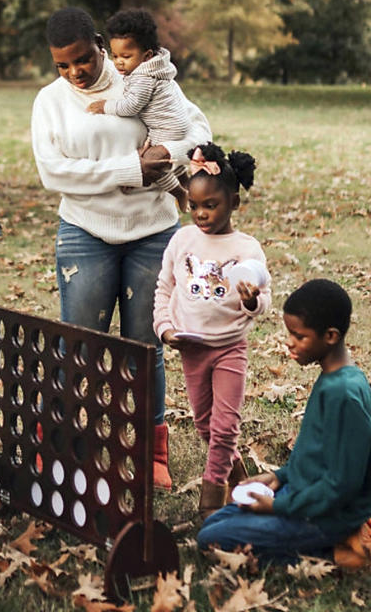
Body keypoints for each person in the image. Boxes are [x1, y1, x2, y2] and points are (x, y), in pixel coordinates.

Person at [32, 7, 211, 489]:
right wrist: (130, 171)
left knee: (144, 346)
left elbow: (198, 129)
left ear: (99, 44)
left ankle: (151, 448)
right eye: (62, 66)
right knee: (80, 343)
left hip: (153, 232)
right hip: (85, 232)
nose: (75, 73)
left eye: (83, 60)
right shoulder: (50, 102)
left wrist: (167, 156)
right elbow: (54, 172)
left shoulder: (143, 76)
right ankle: (61, 443)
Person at [196, 279, 371, 568]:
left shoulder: (345, 395)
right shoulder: (334, 378)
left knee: (211, 539)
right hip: (304, 496)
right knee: (220, 518)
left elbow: (342, 484)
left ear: (331, 336)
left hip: (327, 516)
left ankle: (339, 551)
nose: (289, 342)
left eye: (299, 336)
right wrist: (279, 478)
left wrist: (277, 506)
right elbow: (318, 456)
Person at [153, 142, 270, 518]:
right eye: (194, 206)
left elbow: (262, 300)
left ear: (234, 202)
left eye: (211, 205)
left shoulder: (246, 248)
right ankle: (241, 480)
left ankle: (211, 501)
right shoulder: (182, 240)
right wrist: (164, 328)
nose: (201, 214)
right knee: (204, 424)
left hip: (229, 348)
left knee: (223, 428)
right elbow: (165, 288)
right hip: (192, 348)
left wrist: (252, 300)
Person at [85, 8, 189, 210]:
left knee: (152, 163)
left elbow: (130, 106)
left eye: (126, 56)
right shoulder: (156, 68)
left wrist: (105, 106)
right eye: (115, 56)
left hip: (166, 127)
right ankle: (185, 180)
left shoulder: (143, 77)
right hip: (175, 123)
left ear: (147, 55)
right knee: (167, 159)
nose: (119, 62)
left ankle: (179, 193)